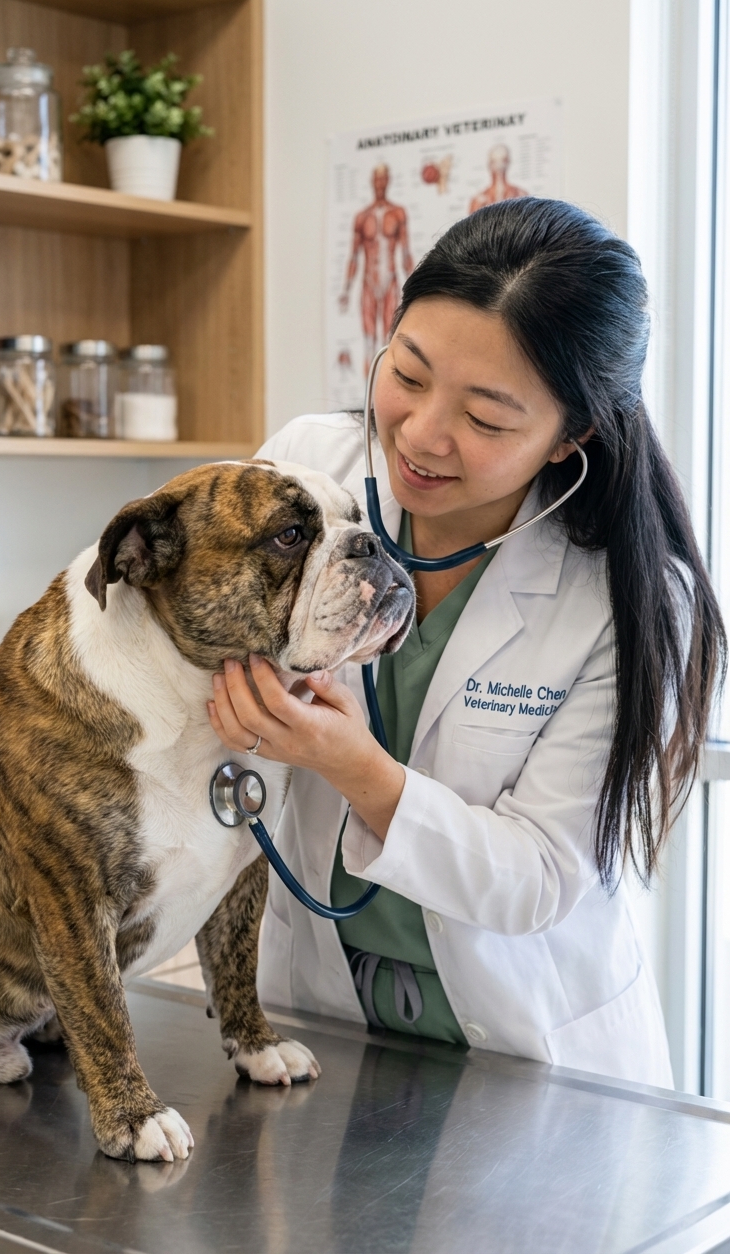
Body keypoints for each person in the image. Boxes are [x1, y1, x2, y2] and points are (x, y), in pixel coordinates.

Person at [207, 198, 725, 1086]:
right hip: (322, 1013)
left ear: (573, 436)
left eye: (486, 420)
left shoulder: (628, 600)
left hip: (527, 1050)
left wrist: (355, 767)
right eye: (407, 373)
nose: (418, 435)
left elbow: (534, 877)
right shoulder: (308, 469)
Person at [339, 164, 414, 376]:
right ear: (372, 181)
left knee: (389, 342)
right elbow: (353, 255)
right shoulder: (362, 217)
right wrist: (346, 289)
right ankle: (367, 401)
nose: (380, 183)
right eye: (377, 179)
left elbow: (406, 254)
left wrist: (417, 289)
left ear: (388, 181)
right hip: (368, 283)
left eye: (384, 178)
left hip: (390, 280)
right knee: (369, 343)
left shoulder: (398, 213)